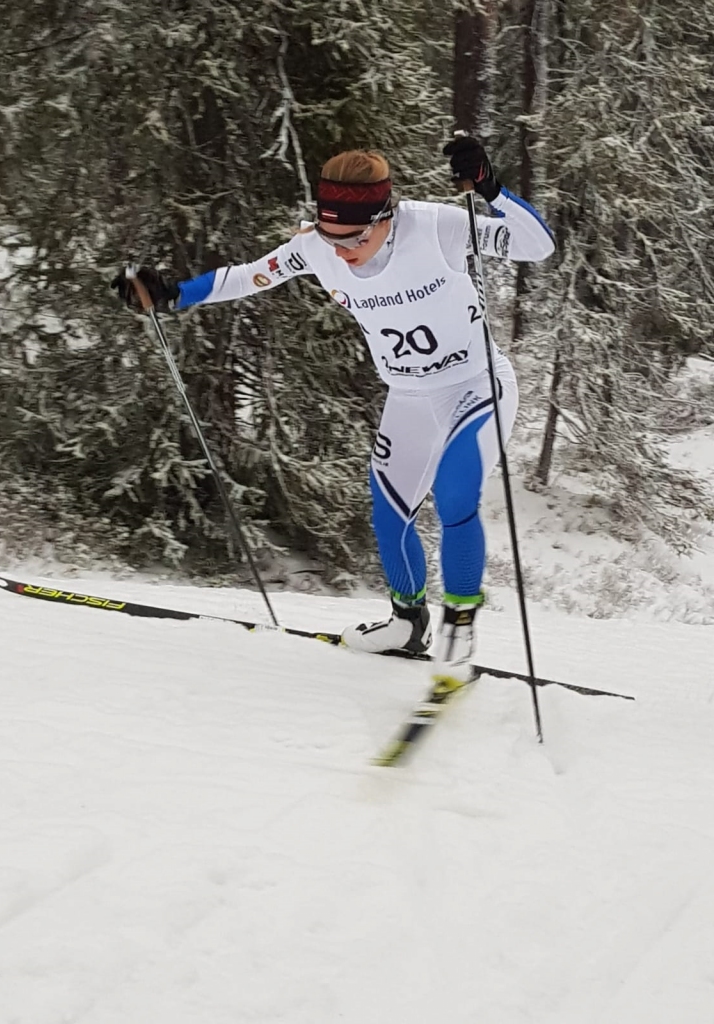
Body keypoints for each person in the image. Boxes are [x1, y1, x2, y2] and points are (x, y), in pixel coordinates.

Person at [112, 136, 554, 691]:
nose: (341, 253)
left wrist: (491, 187)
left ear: (385, 216)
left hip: (475, 386)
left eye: (354, 239)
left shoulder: (437, 225)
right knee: (390, 512)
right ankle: (406, 623)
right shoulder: (319, 245)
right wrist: (174, 294)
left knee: (455, 493)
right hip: (409, 396)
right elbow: (248, 274)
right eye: (331, 237)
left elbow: (537, 246)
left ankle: (459, 623)